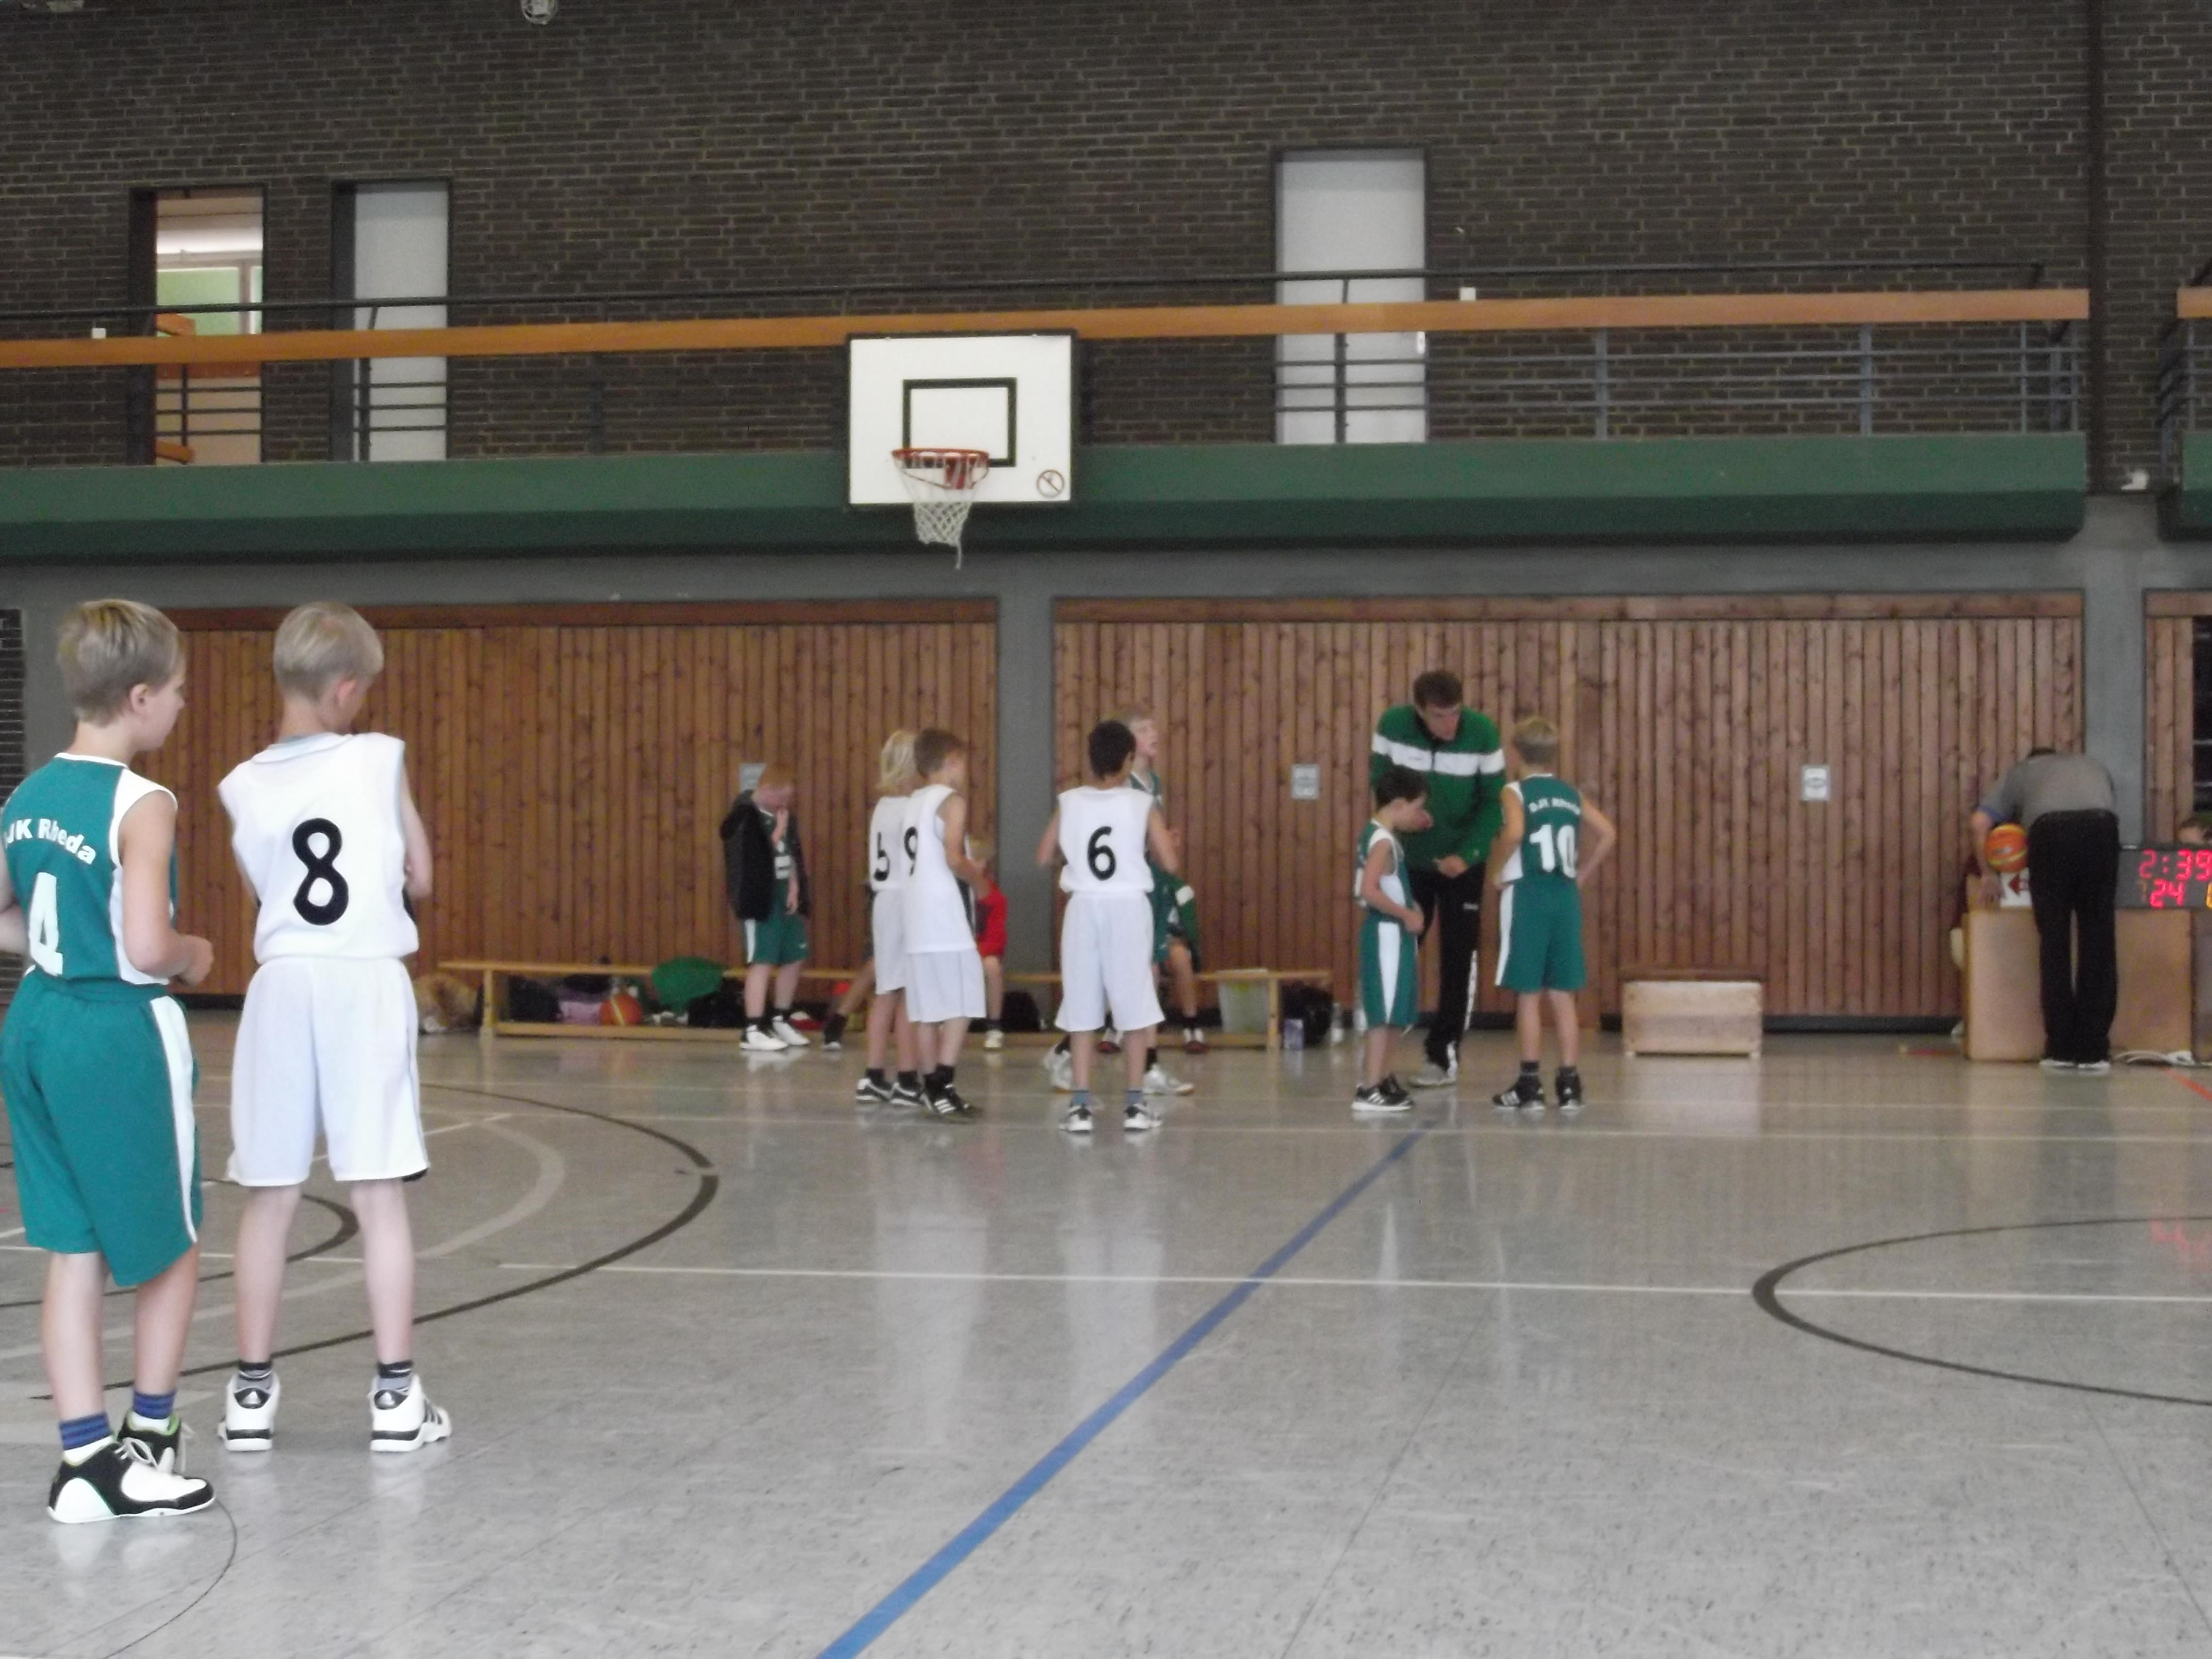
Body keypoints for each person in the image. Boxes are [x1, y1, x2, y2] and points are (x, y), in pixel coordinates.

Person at [0, 599, 218, 1522]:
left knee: (74, 1246)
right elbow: (147, 943)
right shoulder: (144, 803)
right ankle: (152, 1436)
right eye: (177, 691)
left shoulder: (25, 797)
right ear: (138, 696)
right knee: (173, 1242)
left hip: (35, 1022)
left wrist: (63, 946)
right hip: (116, 1029)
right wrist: (195, 954)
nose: (181, 706)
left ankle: (86, 1460)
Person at [217, 601, 451, 1456]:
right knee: (377, 1194)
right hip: (364, 978)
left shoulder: (240, 784)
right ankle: (395, 1396)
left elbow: (264, 892)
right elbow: (420, 878)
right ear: (348, 688)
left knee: (270, 1195)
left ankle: (249, 1395)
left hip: (282, 982)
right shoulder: (379, 758)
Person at [1038, 720, 1179, 1133]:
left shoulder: (1069, 801)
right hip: (1128, 908)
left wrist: (1073, 859)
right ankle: (1135, 1107)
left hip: (1084, 908)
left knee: (1082, 1007)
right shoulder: (1142, 803)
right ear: (1128, 760)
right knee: (1134, 1009)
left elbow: (1044, 855)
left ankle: (1080, 1107)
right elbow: (1170, 862)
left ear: (1091, 760)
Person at [1370, 670, 1506, 1088]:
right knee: (1398, 954)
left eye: (1455, 714)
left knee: (1458, 957)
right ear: (1419, 711)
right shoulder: (1392, 726)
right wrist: (1403, 820)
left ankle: (1442, 1055)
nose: (1449, 724)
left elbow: (1494, 804)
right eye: (1438, 716)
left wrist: (1468, 855)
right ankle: (1381, 1057)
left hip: (1462, 864)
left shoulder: (1482, 733)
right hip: (1408, 862)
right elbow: (1381, 785)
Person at [1488, 716, 1616, 1115]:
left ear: (1515, 753)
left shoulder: (1514, 791)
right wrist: (1583, 874)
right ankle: (1570, 1084)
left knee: (1528, 993)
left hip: (1529, 893)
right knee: (1562, 993)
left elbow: (1514, 833)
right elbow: (1608, 833)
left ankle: (1530, 1084)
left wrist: (1496, 870)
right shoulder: (1569, 794)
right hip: (1564, 896)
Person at [1970, 747, 2122, 1072]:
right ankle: (2094, 1051)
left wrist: (1988, 874)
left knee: (2054, 942)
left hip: (2050, 832)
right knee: (2099, 940)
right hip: (2102, 828)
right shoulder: (2092, 765)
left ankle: (2061, 1049)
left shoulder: (2022, 771)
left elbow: (1979, 822)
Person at [903, 729, 987, 1116]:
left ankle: (930, 1088)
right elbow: (954, 858)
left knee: (927, 1010)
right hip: (944, 915)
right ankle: (943, 1081)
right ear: (952, 761)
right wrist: (978, 878)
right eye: (963, 763)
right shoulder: (952, 801)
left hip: (916, 915)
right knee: (964, 1000)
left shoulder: (912, 803)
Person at [1122, 711, 1207, 1055]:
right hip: (1132, 881)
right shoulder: (1125, 784)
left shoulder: (1153, 782)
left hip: (1153, 877)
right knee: (1143, 962)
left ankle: (1149, 1048)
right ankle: (1131, 1038)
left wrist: (1163, 841)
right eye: (1143, 730)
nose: (1153, 733)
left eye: (1153, 727)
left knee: (1154, 960)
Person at [1352, 767, 1432, 1114]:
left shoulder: (1382, 835)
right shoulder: (1383, 841)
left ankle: (1382, 1078)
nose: (1419, 815)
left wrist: (1410, 906)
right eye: (1417, 808)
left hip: (1394, 933)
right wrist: (1405, 913)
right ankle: (1369, 1087)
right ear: (1398, 805)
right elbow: (1368, 889)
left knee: (1396, 1012)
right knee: (1383, 1015)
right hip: (1386, 932)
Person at [720, 763, 812, 1052]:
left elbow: (792, 852)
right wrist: (779, 830)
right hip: (759, 899)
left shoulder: (784, 815)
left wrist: (795, 885)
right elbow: (753, 857)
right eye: (781, 798)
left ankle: (780, 1018)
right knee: (762, 961)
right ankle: (753, 1027)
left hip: (783, 893)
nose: (784, 804)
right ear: (767, 790)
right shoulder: (744, 816)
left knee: (795, 956)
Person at [855, 731, 922, 1106]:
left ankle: (874, 1074)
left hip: (883, 900)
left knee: (886, 990)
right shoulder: (912, 809)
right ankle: (908, 1078)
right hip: (905, 900)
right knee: (908, 992)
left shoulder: (882, 807)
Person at [966, 836, 1010, 1050]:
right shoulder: (953, 893)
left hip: (982, 952)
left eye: (978, 860)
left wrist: (977, 953)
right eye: (970, 859)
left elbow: (996, 937)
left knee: (992, 967)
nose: (974, 865)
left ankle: (994, 1025)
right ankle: (943, 1019)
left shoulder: (995, 898)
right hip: (958, 950)